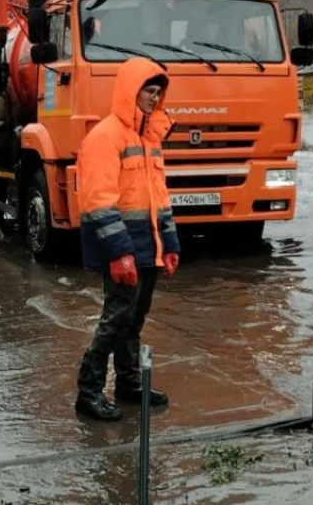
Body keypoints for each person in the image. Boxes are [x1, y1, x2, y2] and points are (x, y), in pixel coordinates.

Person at [74, 58, 181, 421]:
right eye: (148, 92)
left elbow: (160, 198)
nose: (154, 99)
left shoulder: (149, 139)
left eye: (158, 93)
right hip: (122, 250)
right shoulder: (105, 137)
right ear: (130, 92)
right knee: (116, 318)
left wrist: (169, 246)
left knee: (134, 319)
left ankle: (128, 384)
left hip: (147, 249)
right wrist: (120, 254)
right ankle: (88, 392)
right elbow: (98, 202)